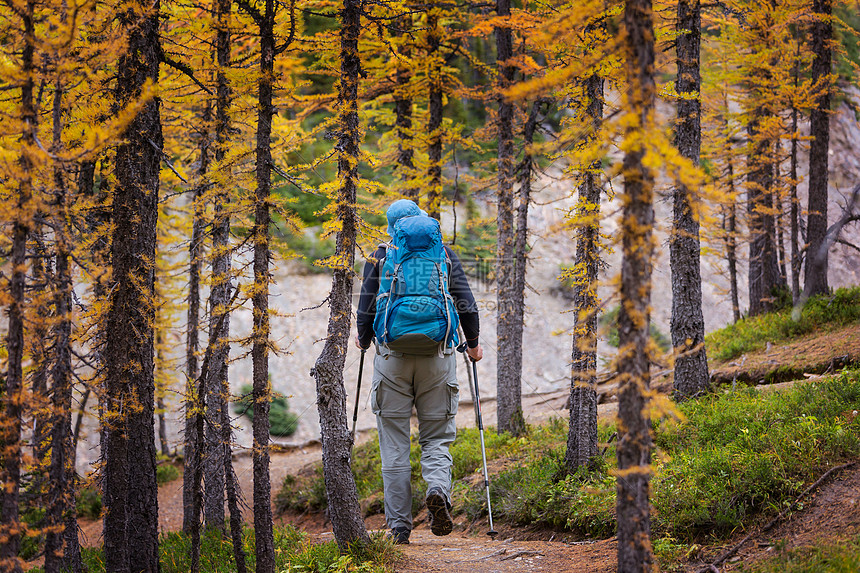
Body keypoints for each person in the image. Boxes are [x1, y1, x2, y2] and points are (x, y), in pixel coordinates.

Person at [355, 199, 483, 545]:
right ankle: (438, 489)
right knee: (437, 436)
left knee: (394, 443)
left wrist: (364, 339)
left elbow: (366, 304)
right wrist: (473, 344)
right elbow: (465, 300)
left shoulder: (380, 255)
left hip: (392, 359)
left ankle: (399, 528)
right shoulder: (442, 253)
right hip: (437, 356)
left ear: (392, 228)